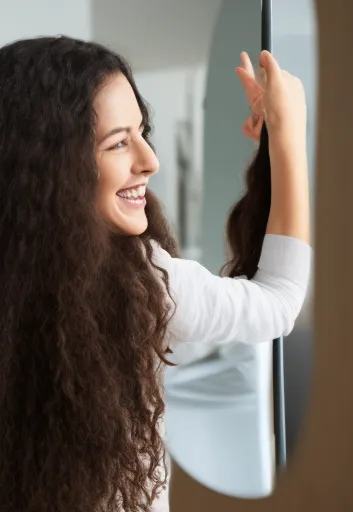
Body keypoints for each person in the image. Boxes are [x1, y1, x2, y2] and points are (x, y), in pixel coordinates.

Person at [0, 35, 311, 512]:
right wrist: (288, 137)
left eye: (142, 132)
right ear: (51, 168)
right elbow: (280, 299)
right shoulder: (143, 283)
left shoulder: (144, 283)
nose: (150, 161)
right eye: (119, 143)